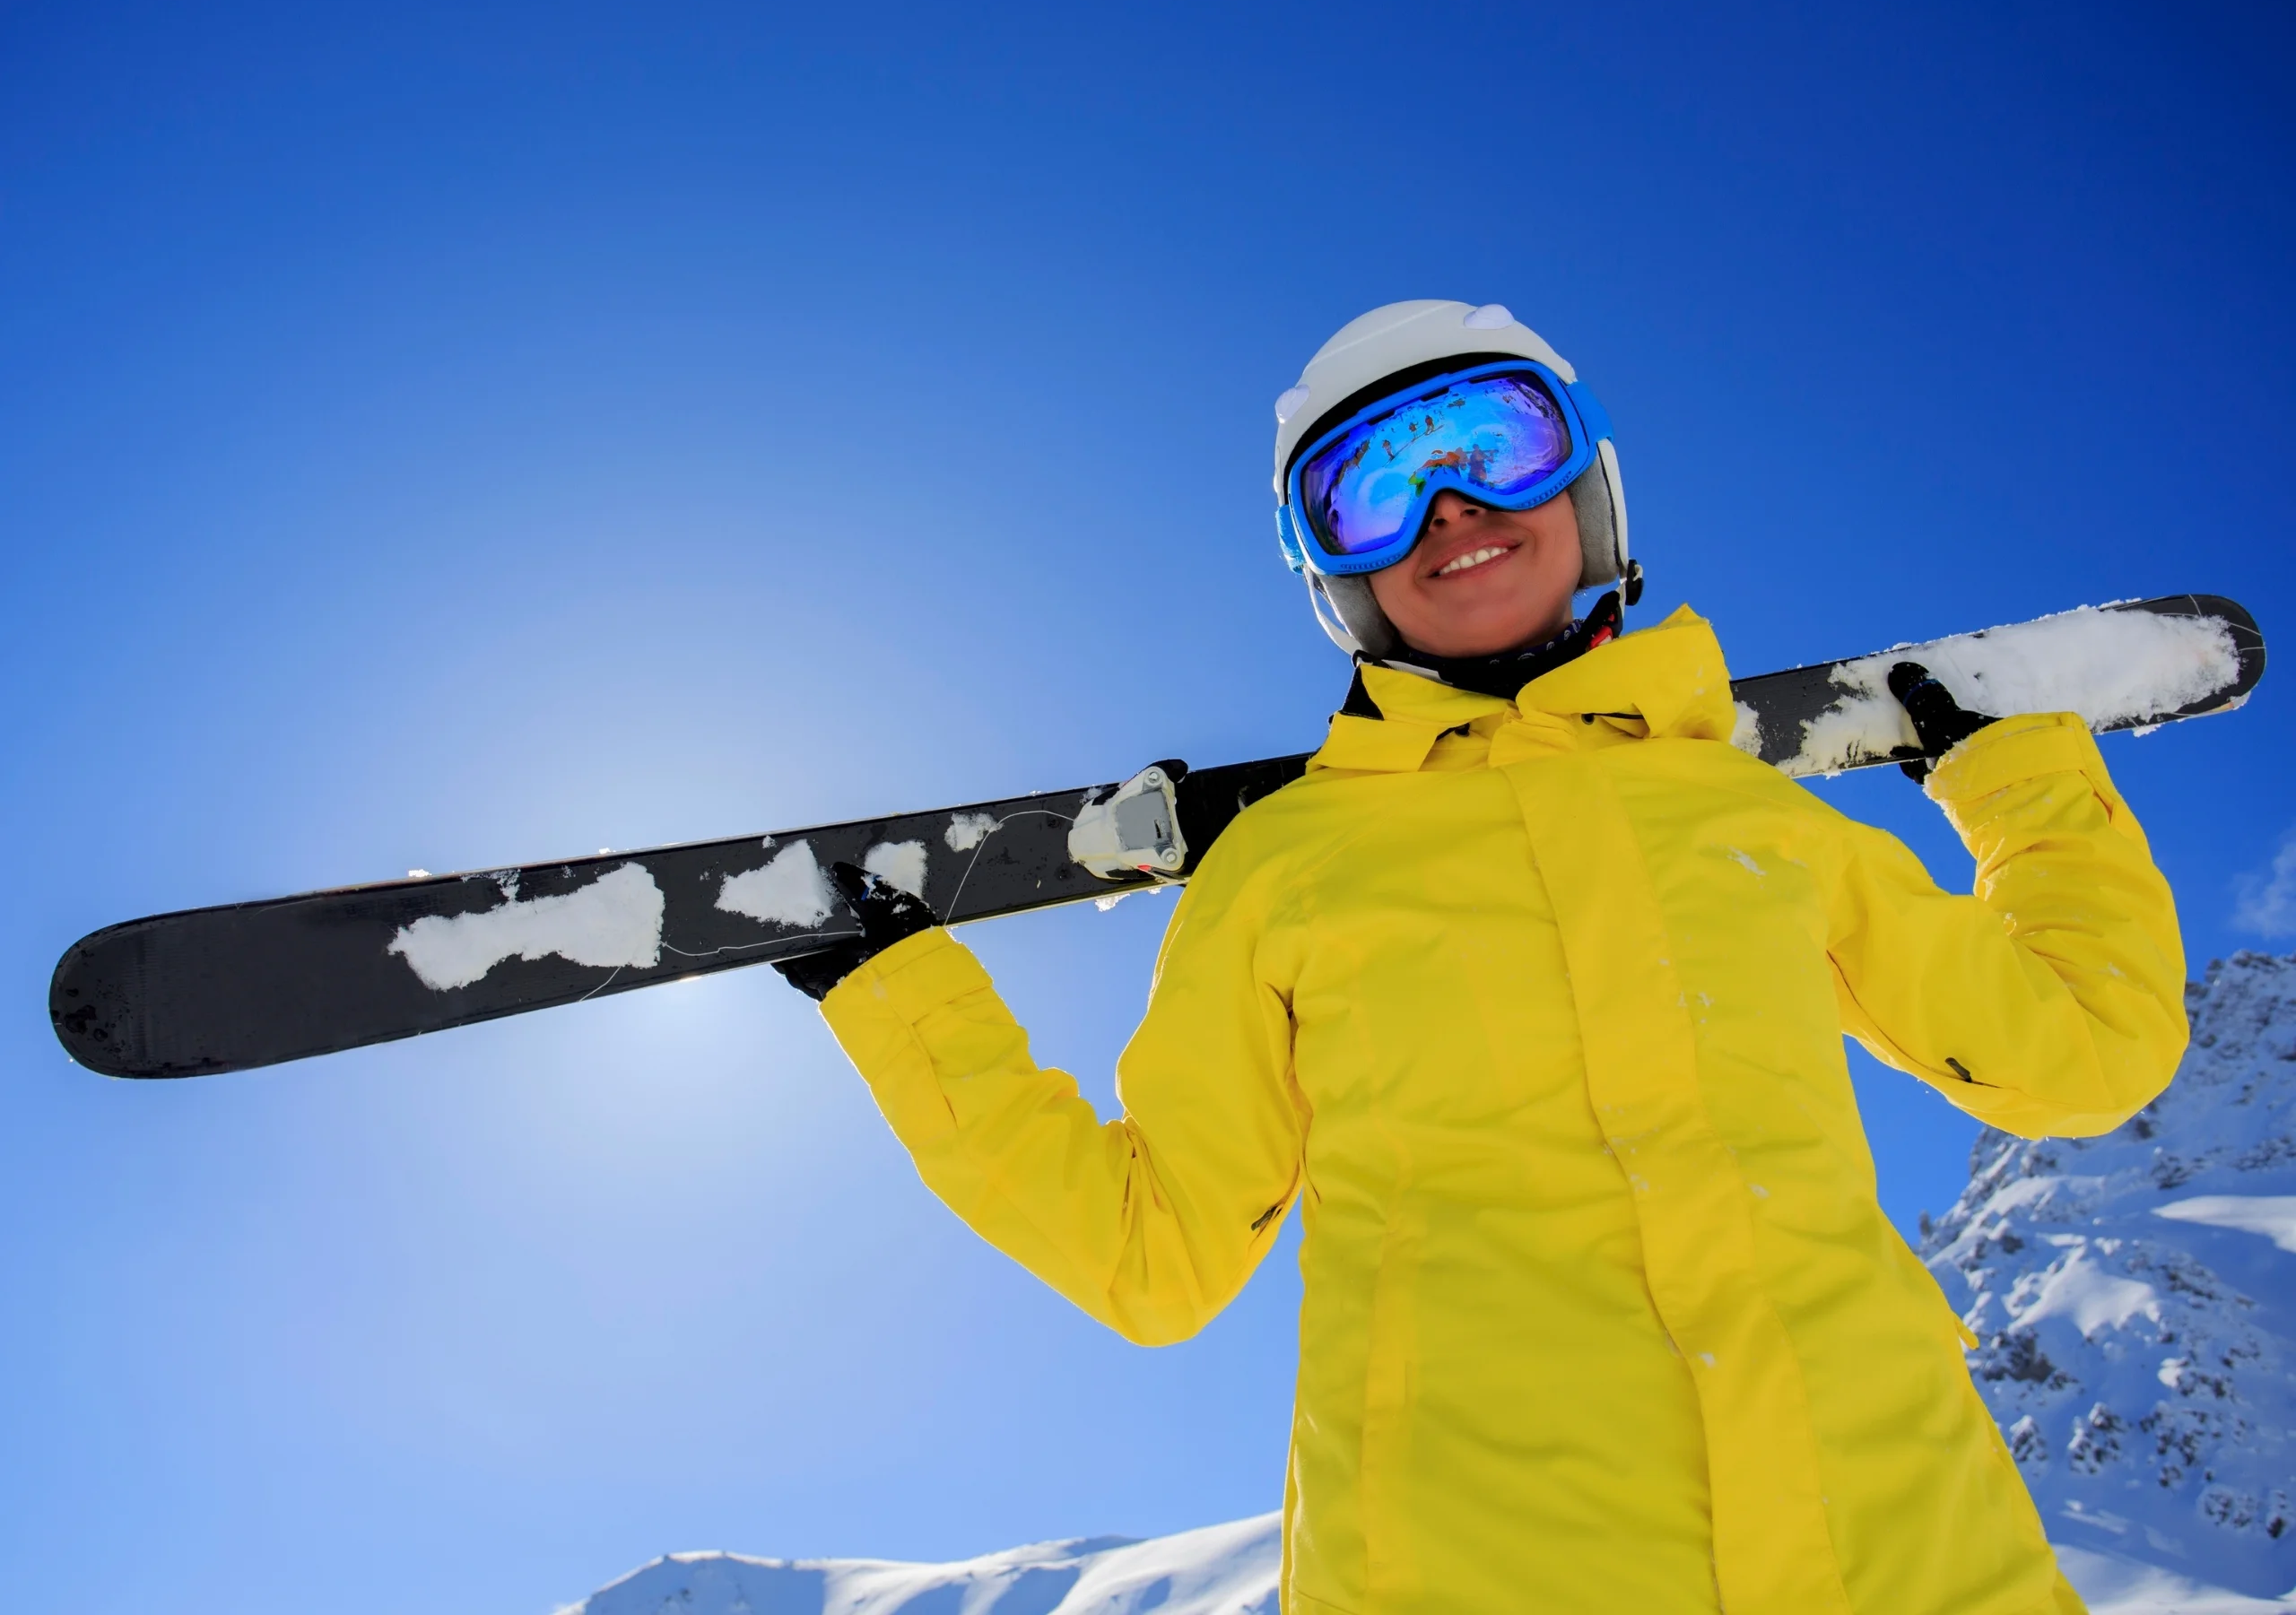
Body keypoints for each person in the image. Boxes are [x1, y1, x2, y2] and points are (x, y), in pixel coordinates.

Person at [776, 300, 2186, 1615]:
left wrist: (2020, 783)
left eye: (1496, 447)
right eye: (1373, 487)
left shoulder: (1750, 819)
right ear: (1338, 576)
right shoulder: (1290, 870)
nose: (1451, 508)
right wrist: (905, 1006)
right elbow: (1152, 1254)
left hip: (1920, 1556)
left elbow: (2084, 1052)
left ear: (1589, 491)